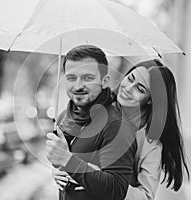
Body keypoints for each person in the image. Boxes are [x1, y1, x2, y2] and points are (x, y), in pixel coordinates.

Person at [45, 45, 137, 200]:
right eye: (71, 78)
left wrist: (68, 161)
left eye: (88, 78)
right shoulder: (64, 118)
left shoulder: (116, 126)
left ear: (105, 81)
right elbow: (70, 166)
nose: (78, 86)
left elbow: (116, 190)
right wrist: (60, 171)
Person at [115, 59, 190, 200]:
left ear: (150, 99)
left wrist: (110, 184)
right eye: (130, 78)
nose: (128, 88)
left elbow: (146, 196)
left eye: (140, 89)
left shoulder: (150, 145)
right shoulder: (101, 107)